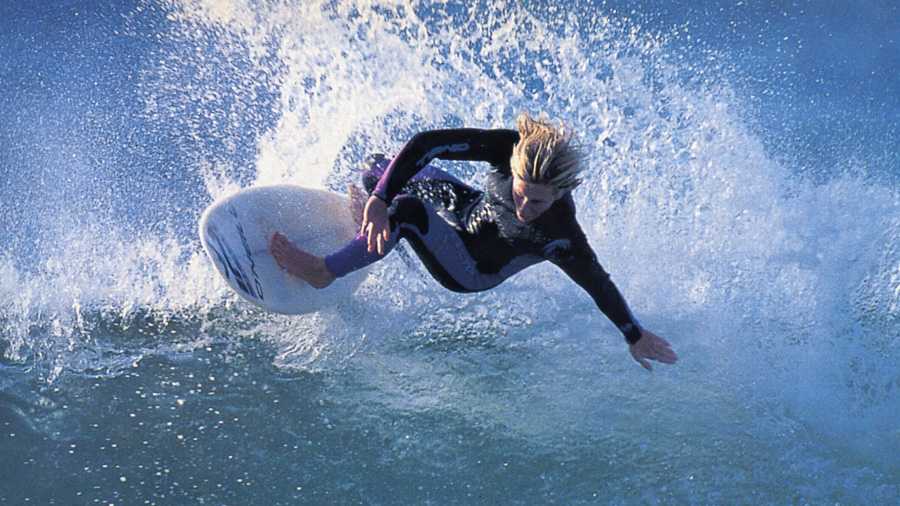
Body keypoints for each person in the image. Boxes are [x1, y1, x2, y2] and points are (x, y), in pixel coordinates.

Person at [270, 113, 678, 370]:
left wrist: (634, 334)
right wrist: (378, 198)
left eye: (537, 202)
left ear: (560, 192)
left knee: (407, 209)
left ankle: (324, 271)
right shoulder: (506, 149)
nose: (524, 206)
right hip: (469, 212)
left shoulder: (560, 235)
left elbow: (597, 282)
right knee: (377, 170)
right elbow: (427, 143)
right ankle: (373, 225)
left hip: (471, 267)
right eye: (519, 192)